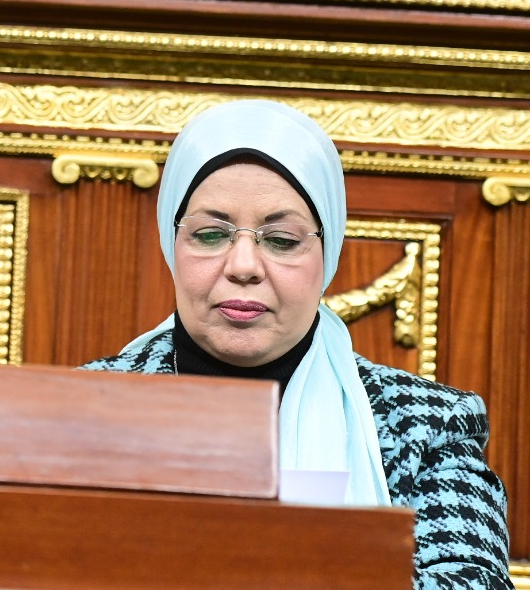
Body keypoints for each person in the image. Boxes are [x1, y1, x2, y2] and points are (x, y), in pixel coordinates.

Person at [84, 99, 509, 589]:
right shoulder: (85, 408)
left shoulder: (427, 426)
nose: (243, 266)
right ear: (170, 243)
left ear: (328, 254)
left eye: (281, 240)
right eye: (211, 234)